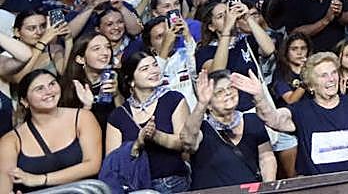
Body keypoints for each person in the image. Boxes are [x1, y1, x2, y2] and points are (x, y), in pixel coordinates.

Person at [233, 53, 348, 177]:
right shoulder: (301, 111)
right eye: (324, 75)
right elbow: (273, 119)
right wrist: (259, 97)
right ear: (311, 85)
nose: (331, 79)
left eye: (334, 72)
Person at [0, 69, 102, 194]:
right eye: (39, 88)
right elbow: (4, 189)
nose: (49, 91)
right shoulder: (11, 140)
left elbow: (92, 165)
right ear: (24, 101)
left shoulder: (83, 117)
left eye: (52, 84)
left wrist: (41, 179)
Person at [105, 50, 190, 193]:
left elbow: (184, 143)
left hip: (172, 182)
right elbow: (112, 162)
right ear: (131, 80)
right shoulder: (118, 115)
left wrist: (156, 135)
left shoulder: (173, 99)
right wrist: (136, 144)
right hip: (136, 187)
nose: (154, 71)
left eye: (155, 65)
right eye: (145, 69)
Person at [180, 70, 275, 189]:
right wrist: (201, 104)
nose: (228, 93)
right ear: (209, 105)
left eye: (230, 87)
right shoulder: (202, 128)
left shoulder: (252, 120)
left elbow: (266, 157)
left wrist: (268, 188)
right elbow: (187, 141)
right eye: (219, 92)